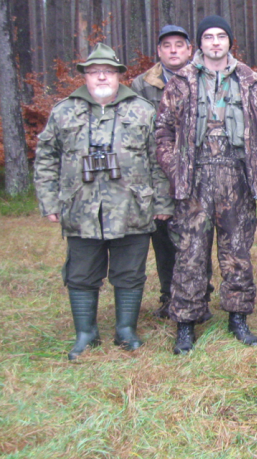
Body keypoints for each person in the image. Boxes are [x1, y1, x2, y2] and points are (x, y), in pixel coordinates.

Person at [34, 43, 173, 360]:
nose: (101, 77)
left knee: (130, 273)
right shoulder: (64, 111)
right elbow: (45, 159)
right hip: (81, 209)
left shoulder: (142, 110)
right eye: (94, 72)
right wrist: (50, 202)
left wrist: (163, 203)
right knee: (81, 274)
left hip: (132, 208)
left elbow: (159, 161)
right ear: (84, 75)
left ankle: (126, 330)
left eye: (108, 71)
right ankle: (86, 334)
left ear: (119, 75)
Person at [155, 15, 257, 354]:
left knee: (237, 252)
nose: (215, 42)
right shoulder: (181, 81)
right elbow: (163, 132)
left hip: (236, 176)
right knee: (190, 253)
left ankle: (238, 317)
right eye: (208, 37)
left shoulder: (250, 80)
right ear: (200, 43)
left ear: (230, 41)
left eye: (221, 36)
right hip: (195, 178)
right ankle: (186, 323)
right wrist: (177, 169)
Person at [131, 24, 207, 319]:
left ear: (189, 49)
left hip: (199, 173)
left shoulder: (205, 77)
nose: (173, 50)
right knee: (163, 239)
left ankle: (200, 295)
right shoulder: (142, 86)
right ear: (159, 51)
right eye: (167, 45)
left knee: (198, 238)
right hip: (160, 174)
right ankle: (169, 296)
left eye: (179, 44)